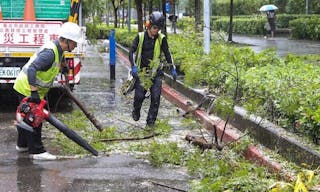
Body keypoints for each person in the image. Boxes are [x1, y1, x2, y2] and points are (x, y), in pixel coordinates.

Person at [13, 22, 83, 160]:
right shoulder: (50, 53)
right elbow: (32, 69)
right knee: (35, 119)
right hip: (27, 88)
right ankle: (37, 151)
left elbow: (60, 62)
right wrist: (33, 93)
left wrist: (64, 69)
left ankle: (22, 145)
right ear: (66, 41)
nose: (75, 46)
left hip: (26, 87)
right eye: (74, 43)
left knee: (26, 118)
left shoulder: (59, 50)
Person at [129, 11, 177, 128]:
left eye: (158, 28)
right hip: (143, 73)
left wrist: (173, 68)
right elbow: (131, 51)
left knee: (155, 99)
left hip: (156, 73)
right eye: (155, 27)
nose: (156, 31)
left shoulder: (161, 39)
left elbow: (167, 54)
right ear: (149, 25)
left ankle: (150, 123)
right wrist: (133, 66)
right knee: (139, 97)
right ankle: (136, 110)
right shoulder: (140, 37)